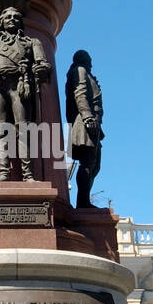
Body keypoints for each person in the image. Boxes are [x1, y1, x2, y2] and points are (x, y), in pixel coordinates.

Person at [0, 8, 50, 181]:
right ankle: (3, 173)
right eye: (7, 17)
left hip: (20, 85)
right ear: (2, 22)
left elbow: (43, 65)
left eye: (16, 17)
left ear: (20, 22)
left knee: (24, 130)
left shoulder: (32, 42)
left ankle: (28, 174)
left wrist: (39, 69)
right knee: (1, 131)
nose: (12, 19)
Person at [65, 49, 104, 208]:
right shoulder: (80, 71)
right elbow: (79, 92)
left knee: (94, 165)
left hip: (91, 123)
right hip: (84, 122)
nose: (91, 63)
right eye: (89, 59)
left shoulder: (85, 72)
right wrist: (87, 116)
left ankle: (84, 200)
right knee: (88, 162)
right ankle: (83, 202)